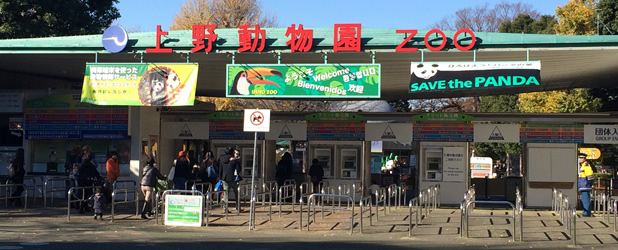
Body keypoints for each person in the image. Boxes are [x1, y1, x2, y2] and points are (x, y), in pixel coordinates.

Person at [217, 147, 240, 213]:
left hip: (225, 178)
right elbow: (238, 169)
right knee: (237, 193)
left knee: (225, 194)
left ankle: (225, 208)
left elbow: (220, 169)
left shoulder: (222, 159)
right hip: (233, 179)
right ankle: (237, 207)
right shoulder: (234, 160)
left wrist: (220, 177)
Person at [578, 153, 594, 217]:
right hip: (583, 185)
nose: (580, 159)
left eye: (582, 158)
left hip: (585, 185)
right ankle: (587, 212)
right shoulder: (582, 165)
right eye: (580, 158)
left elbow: (590, 176)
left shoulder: (586, 165)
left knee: (585, 199)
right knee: (585, 199)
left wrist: (589, 184)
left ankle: (586, 213)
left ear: (584, 159)